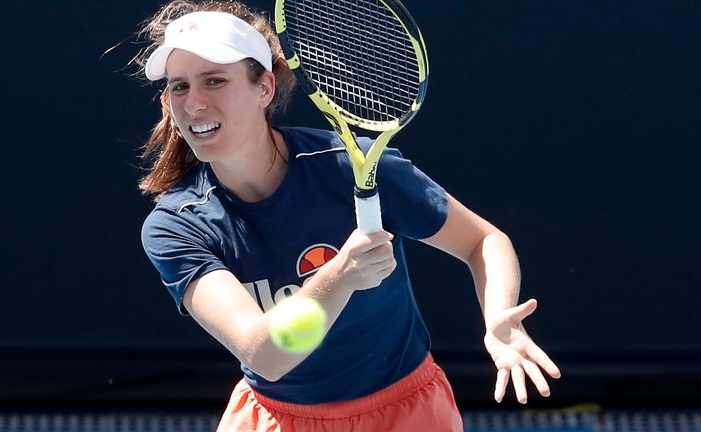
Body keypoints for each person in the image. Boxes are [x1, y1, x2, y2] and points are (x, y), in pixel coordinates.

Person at [133, 1, 561, 430]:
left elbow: (482, 240)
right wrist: (342, 274)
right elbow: (265, 355)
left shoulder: (351, 167)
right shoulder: (177, 225)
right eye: (179, 86)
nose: (193, 104)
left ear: (264, 88)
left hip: (406, 412)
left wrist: (498, 318)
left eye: (214, 81)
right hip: (275, 417)